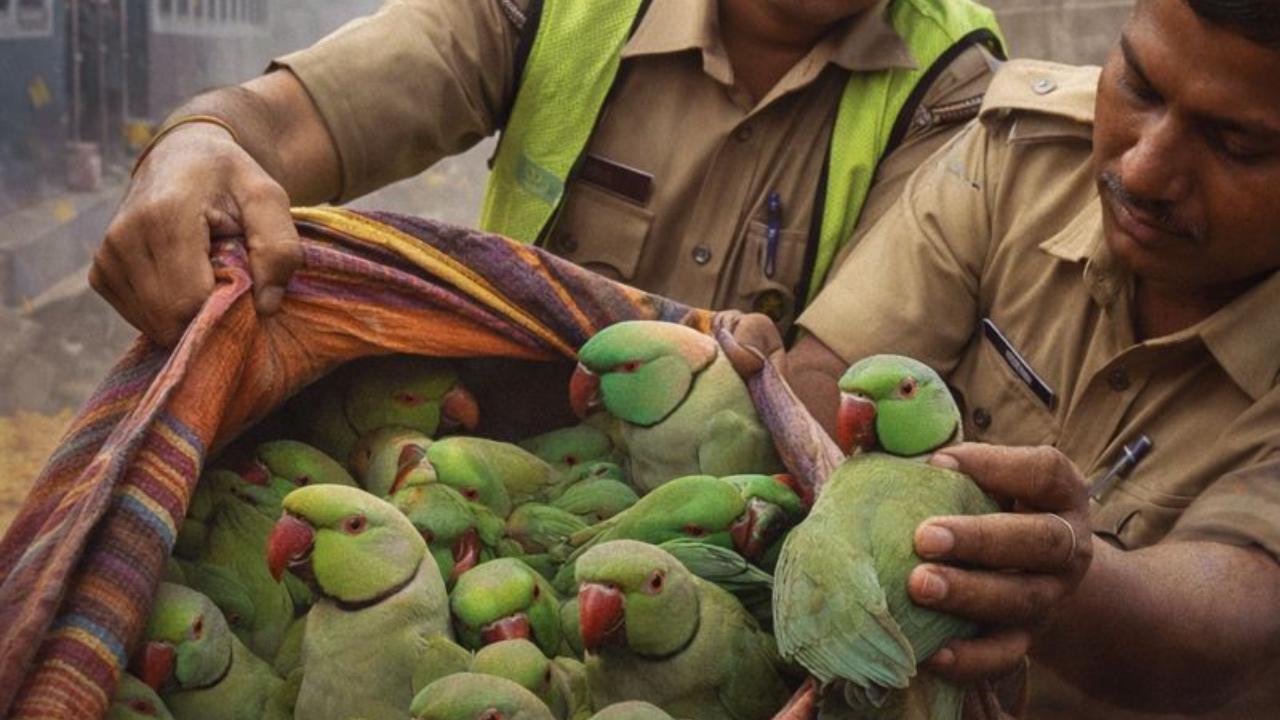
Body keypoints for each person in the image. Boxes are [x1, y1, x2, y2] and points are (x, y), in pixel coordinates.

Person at [761, 0, 1280, 716]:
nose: (1144, 169)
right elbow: (828, 375)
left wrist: (1060, 580)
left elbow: (1244, 624)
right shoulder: (1020, 153)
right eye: (1140, 88)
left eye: (1238, 146)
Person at [90, 0, 1006, 347]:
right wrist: (199, 143)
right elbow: (292, 121)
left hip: (731, 552)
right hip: (487, 471)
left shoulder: (949, 78)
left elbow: (840, 380)